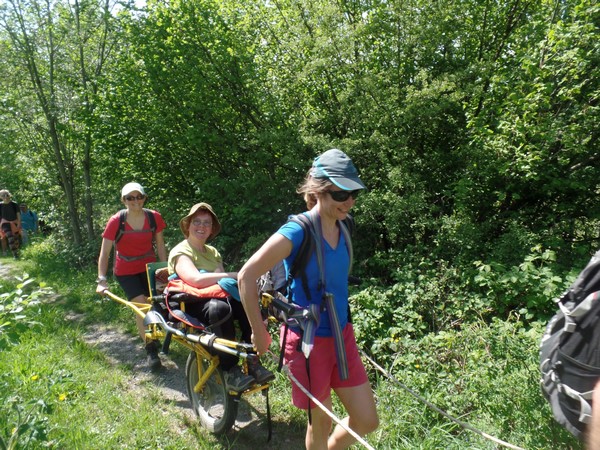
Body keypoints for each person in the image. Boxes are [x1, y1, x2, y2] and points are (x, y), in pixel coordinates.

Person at [238, 149, 379, 450]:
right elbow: (246, 276)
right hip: (309, 342)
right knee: (321, 424)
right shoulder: (298, 231)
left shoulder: (345, 226)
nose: (350, 201)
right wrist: (259, 331)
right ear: (320, 190)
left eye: (354, 193)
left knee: (367, 420)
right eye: (342, 194)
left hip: (342, 335)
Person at [168, 202, 273, 392]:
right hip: (191, 303)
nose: (201, 227)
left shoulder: (213, 252)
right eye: (197, 222)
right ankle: (230, 369)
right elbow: (196, 280)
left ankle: (253, 360)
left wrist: (231, 280)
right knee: (220, 308)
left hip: (214, 297)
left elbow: (221, 285)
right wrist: (233, 275)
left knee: (244, 302)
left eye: (207, 223)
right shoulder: (180, 251)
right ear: (188, 225)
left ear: (212, 229)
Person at [96, 182, 167, 370]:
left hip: (149, 268)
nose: (135, 201)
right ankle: (151, 350)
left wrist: (166, 271)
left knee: (158, 305)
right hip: (126, 271)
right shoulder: (116, 221)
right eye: (130, 198)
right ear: (123, 200)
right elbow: (105, 253)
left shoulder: (154, 217)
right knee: (142, 306)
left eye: (138, 197)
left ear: (144, 198)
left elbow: (160, 245)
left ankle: (153, 334)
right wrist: (101, 280)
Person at [0, 190, 21, 258]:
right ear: (1, 197)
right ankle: (15, 254)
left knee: (16, 238)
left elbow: (18, 214)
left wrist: (19, 223)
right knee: (10, 236)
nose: (5, 197)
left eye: (7, 195)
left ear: (9, 195)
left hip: (14, 222)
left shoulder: (14, 204)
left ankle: (17, 251)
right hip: (5, 223)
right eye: (3, 195)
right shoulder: (0, 205)